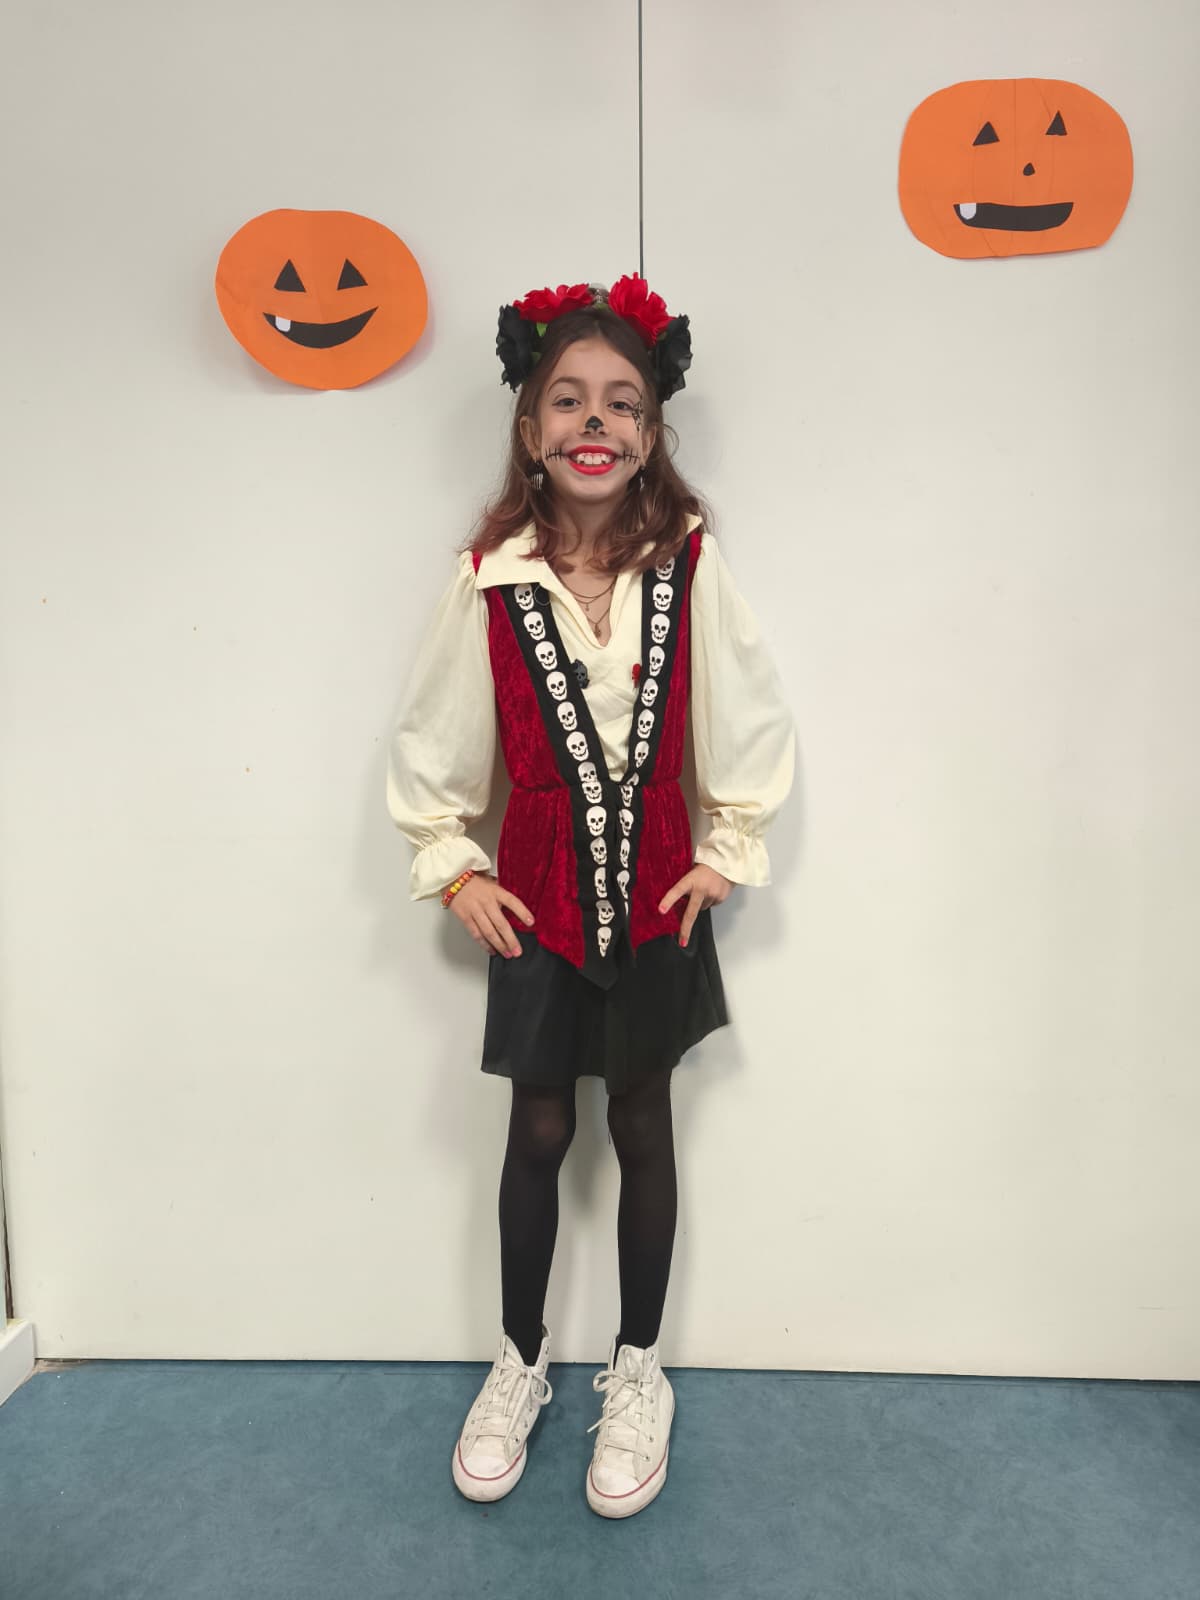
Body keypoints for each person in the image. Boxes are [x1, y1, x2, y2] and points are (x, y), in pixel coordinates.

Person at [386, 274, 795, 1518]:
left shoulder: (690, 561)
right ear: (529, 428)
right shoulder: (491, 576)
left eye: (622, 401)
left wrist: (729, 843)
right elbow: (436, 735)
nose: (594, 421)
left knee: (643, 1121)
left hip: (659, 890)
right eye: (567, 399)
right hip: (538, 888)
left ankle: (638, 1368)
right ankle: (519, 1361)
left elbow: (747, 707)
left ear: (654, 431)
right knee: (539, 1127)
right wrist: (452, 863)